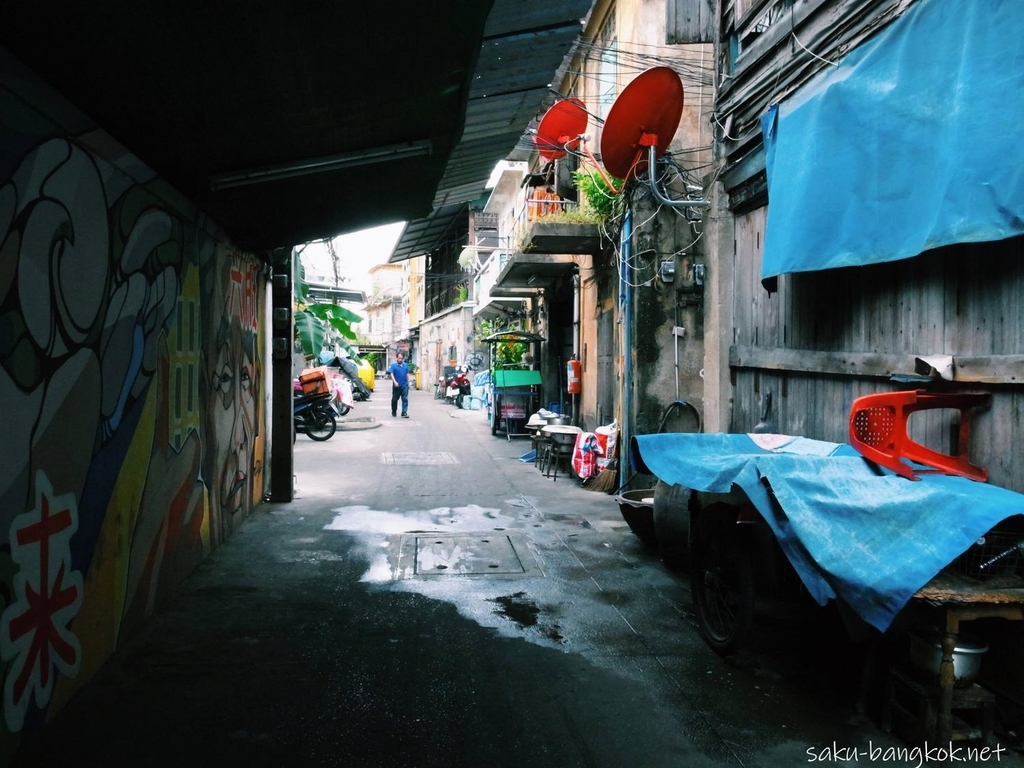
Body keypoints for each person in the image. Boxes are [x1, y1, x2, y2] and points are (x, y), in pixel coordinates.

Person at [388, 352, 410, 418]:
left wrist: (408, 384)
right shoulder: (393, 366)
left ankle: (404, 412)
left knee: (405, 399)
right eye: (399, 358)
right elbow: (391, 374)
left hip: (404, 385)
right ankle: (394, 411)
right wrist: (395, 382)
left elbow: (407, 374)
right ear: (397, 358)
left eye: (401, 358)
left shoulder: (405, 365)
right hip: (396, 386)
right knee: (394, 400)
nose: (400, 360)